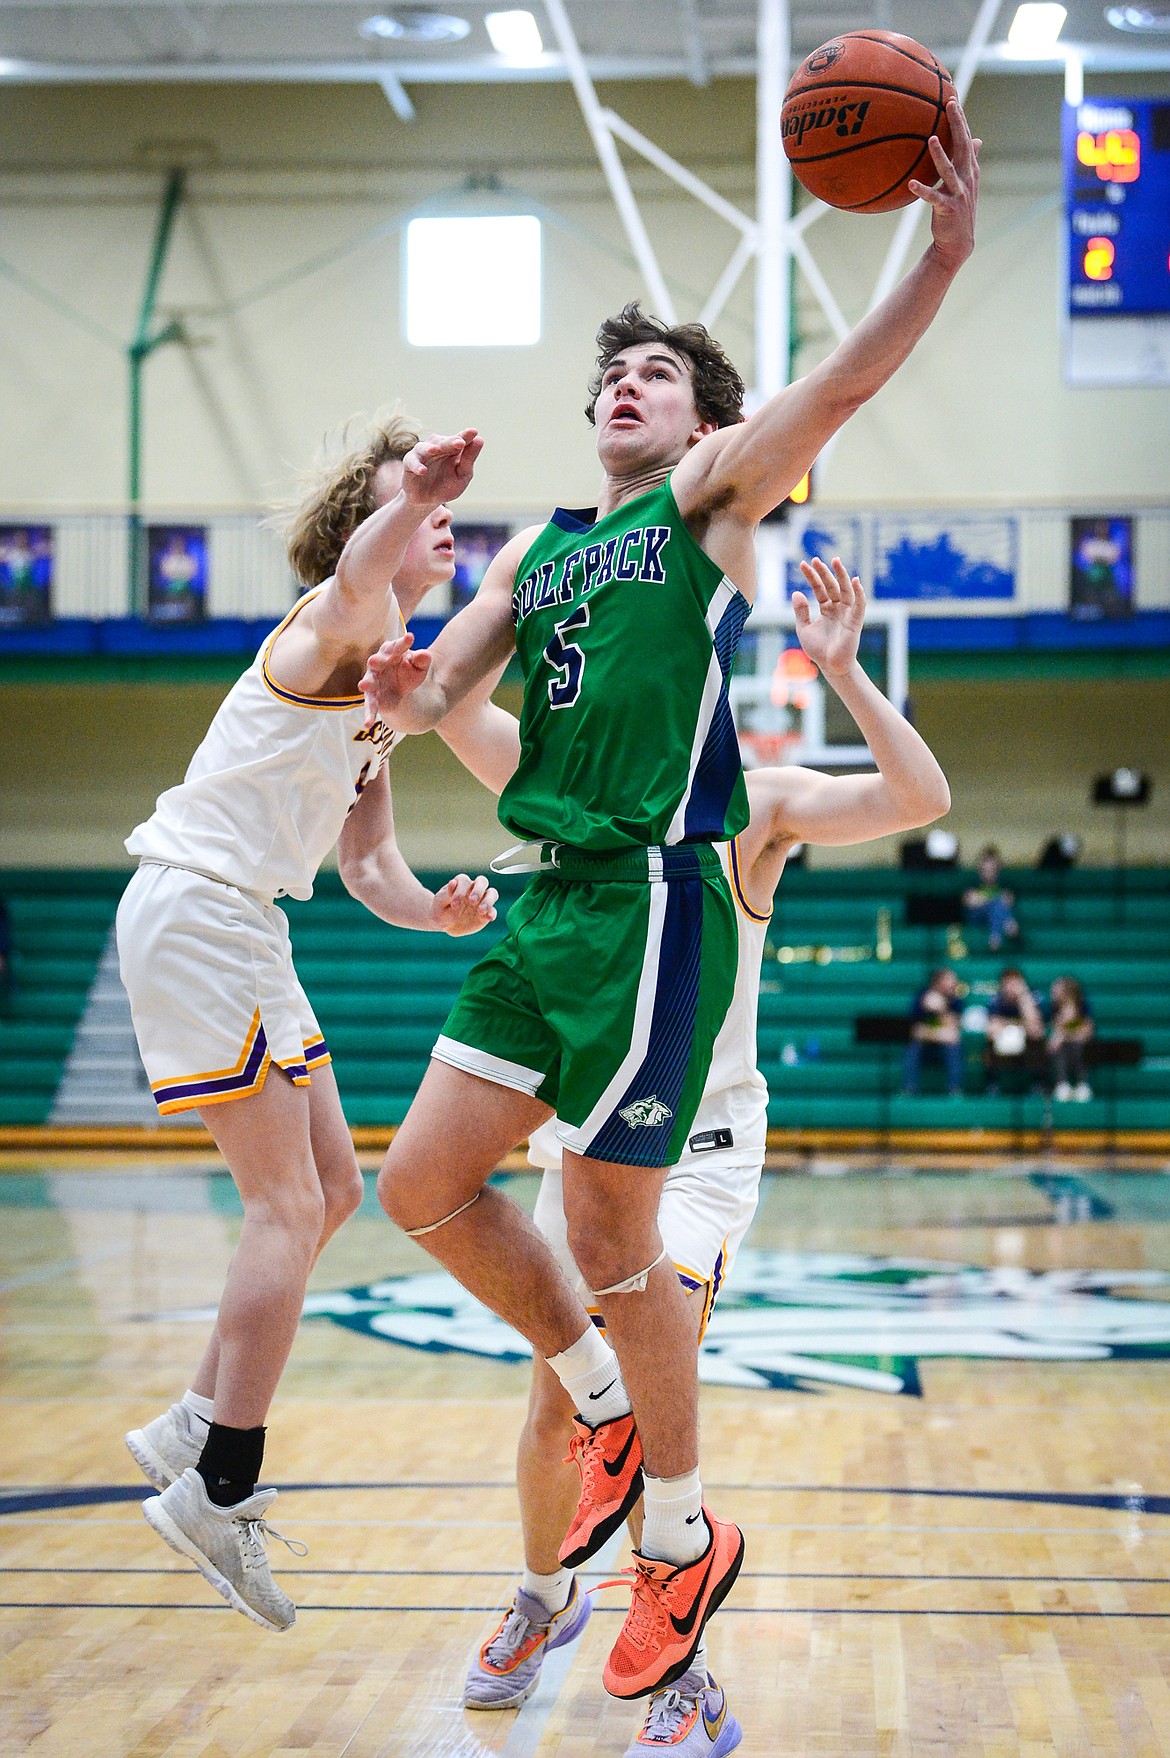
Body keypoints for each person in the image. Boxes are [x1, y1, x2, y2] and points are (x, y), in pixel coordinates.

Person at [360, 101, 979, 1704]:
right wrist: (396, 658)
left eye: (652, 374)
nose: (617, 386)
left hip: (646, 899)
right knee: (417, 1185)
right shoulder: (546, 552)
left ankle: (681, 1532)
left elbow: (838, 384)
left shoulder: (696, 508)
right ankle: (607, 1417)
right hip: (537, 895)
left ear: (705, 427)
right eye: (605, 375)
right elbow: (439, 702)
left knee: (601, 1230)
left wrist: (940, 251)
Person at [430, 556, 949, 1753]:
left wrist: (848, 671)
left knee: (653, 1396)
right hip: (589, 1133)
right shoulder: (580, 784)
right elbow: (457, 713)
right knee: (558, 1402)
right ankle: (547, 1595)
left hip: (702, 1149)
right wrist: (504, 599)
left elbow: (921, 797)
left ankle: (685, 1680)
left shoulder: (756, 804)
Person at [118, 417, 498, 1631]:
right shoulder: (330, 623)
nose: (437, 509)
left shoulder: (387, 683)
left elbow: (369, 861)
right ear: (368, 526)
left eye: (438, 494)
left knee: (333, 1188)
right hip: (200, 907)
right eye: (411, 496)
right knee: (285, 1205)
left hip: (248, 925)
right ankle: (218, 1485)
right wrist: (408, 496)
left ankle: (191, 1417)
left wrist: (432, 914)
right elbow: (353, 575)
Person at [902, 967, 964, 1097]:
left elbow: (954, 1033)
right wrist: (939, 1033)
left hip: (943, 1049)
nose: (953, 984)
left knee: (954, 1047)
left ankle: (954, 1090)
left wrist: (941, 1009)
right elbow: (915, 1031)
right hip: (924, 1048)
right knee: (913, 1045)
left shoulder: (956, 1001)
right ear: (938, 982)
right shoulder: (922, 998)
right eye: (949, 980)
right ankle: (910, 1088)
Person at [983, 967, 1045, 1094]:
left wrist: (1023, 999)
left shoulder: (1033, 997)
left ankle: (1037, 1084)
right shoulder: (996, 1000)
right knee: (992, 1037)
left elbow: (1034, 1027)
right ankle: (993, 1085)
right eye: (1008, 983)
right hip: (1003, 1042)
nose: (1011, 987)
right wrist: (1019, 1025)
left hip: (1027, 1042)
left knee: (1036, 1036)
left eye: (1015, 983)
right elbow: (993, 1027)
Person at [963, 844, 1018, 953]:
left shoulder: (1005, 882)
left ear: (997, 866)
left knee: (997, 907)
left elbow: (1010, 901)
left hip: (995, 916)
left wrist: (983, 899)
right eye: (986, 865)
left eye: (992, 866)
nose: (989, 869)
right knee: (998, 905)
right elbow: (970, 902)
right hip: (977, 917)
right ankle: (1009, 925)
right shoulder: (972, 881)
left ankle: (995, 938)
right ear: (981, 866)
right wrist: (994, 900)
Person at [1048, 976, 1095, 1101]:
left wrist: (1065, 1034)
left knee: (1079, 1045)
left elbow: (1086, 1032)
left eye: (1056, 989)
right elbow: (1054, 1039)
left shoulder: (1083, 1006)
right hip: (1062, 1049)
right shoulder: (1053, 1009)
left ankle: (1082, 1084)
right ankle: (1062, 1084)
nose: (1053, 992)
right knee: (1058, 1048)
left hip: (1079, 1046)